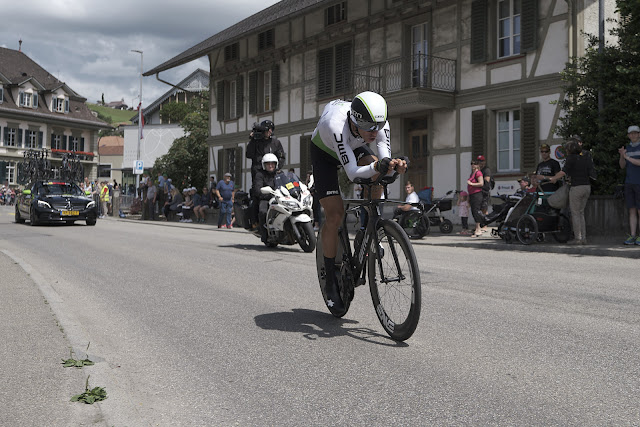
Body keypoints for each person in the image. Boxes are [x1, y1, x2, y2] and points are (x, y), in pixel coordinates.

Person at [310, 91, 407, 312]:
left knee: (378, 173)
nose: (375, 132)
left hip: (352, 146)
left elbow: (383, 160)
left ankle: (368, 228)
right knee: (335, 216)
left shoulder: (376, 124)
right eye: (369, 127)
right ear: (355, 120)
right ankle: (331, 281)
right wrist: (376, 167)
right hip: (324, 153)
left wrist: (393, 166)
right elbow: (353, 173)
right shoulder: (336, 125)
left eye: (378, 126)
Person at [550, 138, 594, 245]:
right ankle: (583, 238)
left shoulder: (571, 158)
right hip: (587, 187)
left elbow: (563, 172)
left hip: (577, 187)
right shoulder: (585, 156)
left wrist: (554, 178)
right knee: (581, 213)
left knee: (575, 213)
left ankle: (578, 238)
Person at [252, 153, 286, 242]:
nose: (270, 166)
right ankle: (264, 234)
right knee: (263, 211)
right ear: (264, 165)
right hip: (266, 197)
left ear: (276, 164)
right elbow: (257, 189)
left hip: (280, 197)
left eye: (272, 163)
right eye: (268, 164)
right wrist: (267, 194)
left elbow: (287, 183)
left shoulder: (280, 173)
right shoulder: (260, 175)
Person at [618, 124, 640, 245]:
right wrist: (622, 156)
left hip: (639, 182)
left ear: (639, 134)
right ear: (628, 135)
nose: (633, 135)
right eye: (631, 133)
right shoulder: (627, 148)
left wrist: (627, 156)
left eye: (635, 133)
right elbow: (622, 165)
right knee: (632, 210)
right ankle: (632, 235)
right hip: (629, 182)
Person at [467, 160, 484, 237]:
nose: (473, 165)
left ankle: (478, 229)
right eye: (472, 164)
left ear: (478, 165)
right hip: (472, 194)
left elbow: (481, 183)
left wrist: (472, 184)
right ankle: (477, 228)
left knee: (476, 211)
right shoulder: (472, 174)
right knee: (473, 211)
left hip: (477, 194)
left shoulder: (478, 173)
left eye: (475, 164)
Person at [477, 155, 492, 231]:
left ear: (484, 162)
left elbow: (487, 180)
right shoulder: (478, 171)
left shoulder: (486, 170)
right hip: (478, 192)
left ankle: (485, 225)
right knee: (479, 209)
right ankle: (480, 225)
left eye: (482, 161)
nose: (480, 163)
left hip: (484, 192)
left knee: (484, 209)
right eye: (479, 161)